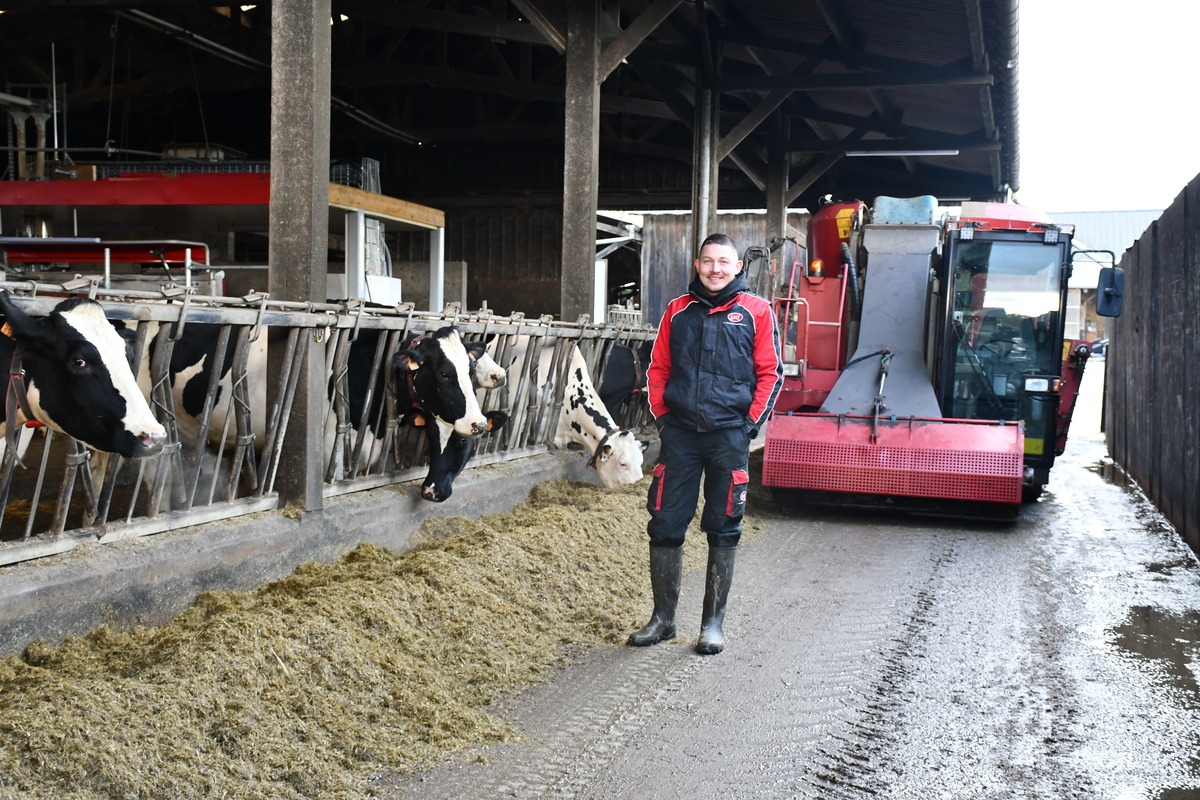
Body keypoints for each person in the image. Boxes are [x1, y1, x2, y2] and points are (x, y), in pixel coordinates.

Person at [628, 232, 783, 655]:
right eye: (708, 261)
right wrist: (663, 419)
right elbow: (657, 369)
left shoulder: (756, 311)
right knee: (664, 522)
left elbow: (772, 373)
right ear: (697, 265)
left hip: (728, 437)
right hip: (680, 436)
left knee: (724, 525)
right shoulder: (678, 311)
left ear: (737, 267)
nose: (716, 268)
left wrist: (748, 427)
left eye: (724, 261)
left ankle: (712, 624)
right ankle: (663, 620)